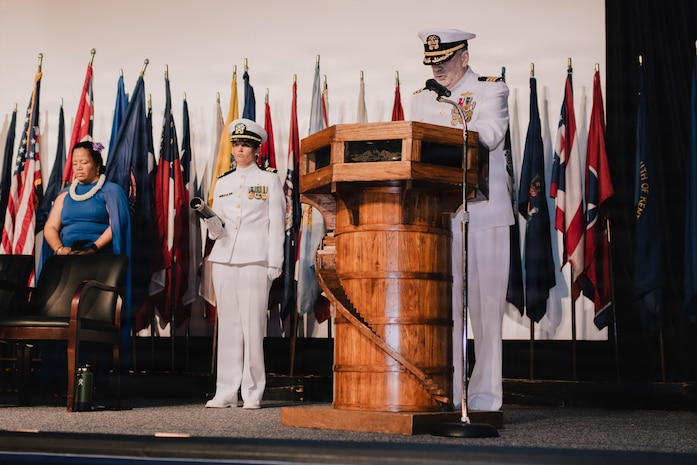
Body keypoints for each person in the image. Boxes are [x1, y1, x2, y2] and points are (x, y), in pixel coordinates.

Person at [410, 28, 513, 412]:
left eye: (444, 60)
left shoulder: (491, 90)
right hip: (441, 216)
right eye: (431, 62)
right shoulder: (421, 99)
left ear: (464, 58)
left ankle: (484, 399)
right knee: (444, 311)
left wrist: (445, 129)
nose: (437, 69)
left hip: (485, 214)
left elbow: (489, 133)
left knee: (486, 313)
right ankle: (448, 394)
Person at [204, 118, 285, 409]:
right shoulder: (223, 182)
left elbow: (277, 224)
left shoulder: (269, 180)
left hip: (255, 257)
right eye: (236, 144)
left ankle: (252, 391)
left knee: (252, 326)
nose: (239, 150)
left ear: (256, 149)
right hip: (224, 256)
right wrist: (211, 223)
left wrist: (275, 262)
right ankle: (225, 391)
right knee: (228, 326)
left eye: (245, 145)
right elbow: (218, 229)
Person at [43, 141, 131, 258]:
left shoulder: (111, 191)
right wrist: (60, 249)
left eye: (84, 162)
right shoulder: (65, 194)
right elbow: (51, 227)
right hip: (67, 258)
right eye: (75, 164)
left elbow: (117, 225)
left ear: (97, 165)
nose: (78, 167)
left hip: (100, 257)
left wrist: (93, 248)